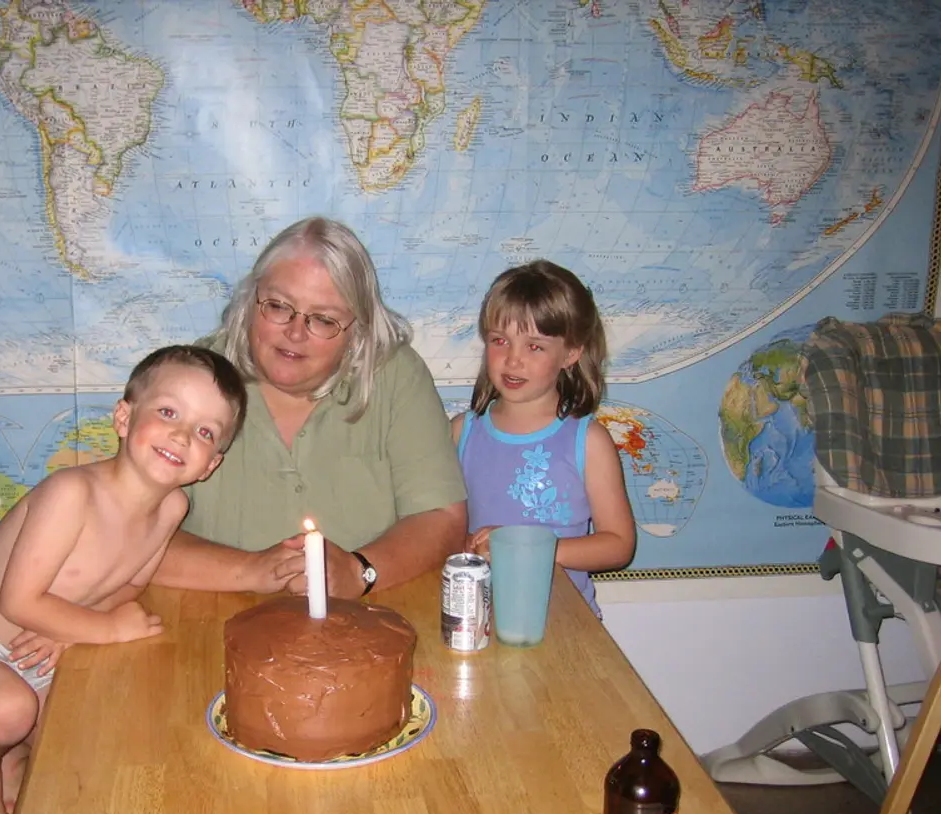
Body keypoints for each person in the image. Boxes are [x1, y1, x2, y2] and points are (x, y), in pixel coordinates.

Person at [0, 345, 247, 814]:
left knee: (97, 724)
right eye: (168, 412)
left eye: (205, 432)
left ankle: (13, 751)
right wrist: (104, 627)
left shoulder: (171, 509)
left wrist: (72, 629)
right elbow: (17, 603)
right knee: (7, 712)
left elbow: (133, 582)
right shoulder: (71, 493)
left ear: (212, 463)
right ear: (123, 417)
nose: (182, 435)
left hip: (39, 638)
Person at [152, 216, 468, 599]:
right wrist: (252, 571)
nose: (295, 332)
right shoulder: (189, 378)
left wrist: (359, 571)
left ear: (358, 332)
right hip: (205, 617)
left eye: (323, 319)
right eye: (278, 306)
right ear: (250, 301)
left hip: (370, 618)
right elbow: (123, 527)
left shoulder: (397, 375)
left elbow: (443, 518)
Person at [452, 260, 635, 614]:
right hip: (479, 617)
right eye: (500, 341)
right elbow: (443, 528)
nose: (513, 360)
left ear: (571, 353)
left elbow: (618, 545)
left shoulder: (588, 441)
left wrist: (526, 548)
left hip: (565, 627)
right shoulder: (462, 432)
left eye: (534, 346)